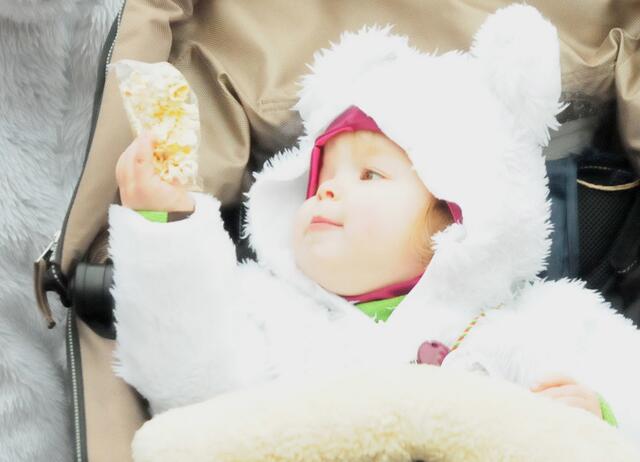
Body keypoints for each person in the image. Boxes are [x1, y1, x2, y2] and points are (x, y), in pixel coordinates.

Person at [108, 5, 640, 442]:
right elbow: (186, 383)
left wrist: (600, 416)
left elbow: (628, 388)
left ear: (456, 215)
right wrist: (165, 229)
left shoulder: (541, 325)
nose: (327, 190)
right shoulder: (267, 312)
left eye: (370, 175)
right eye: (320, 180)